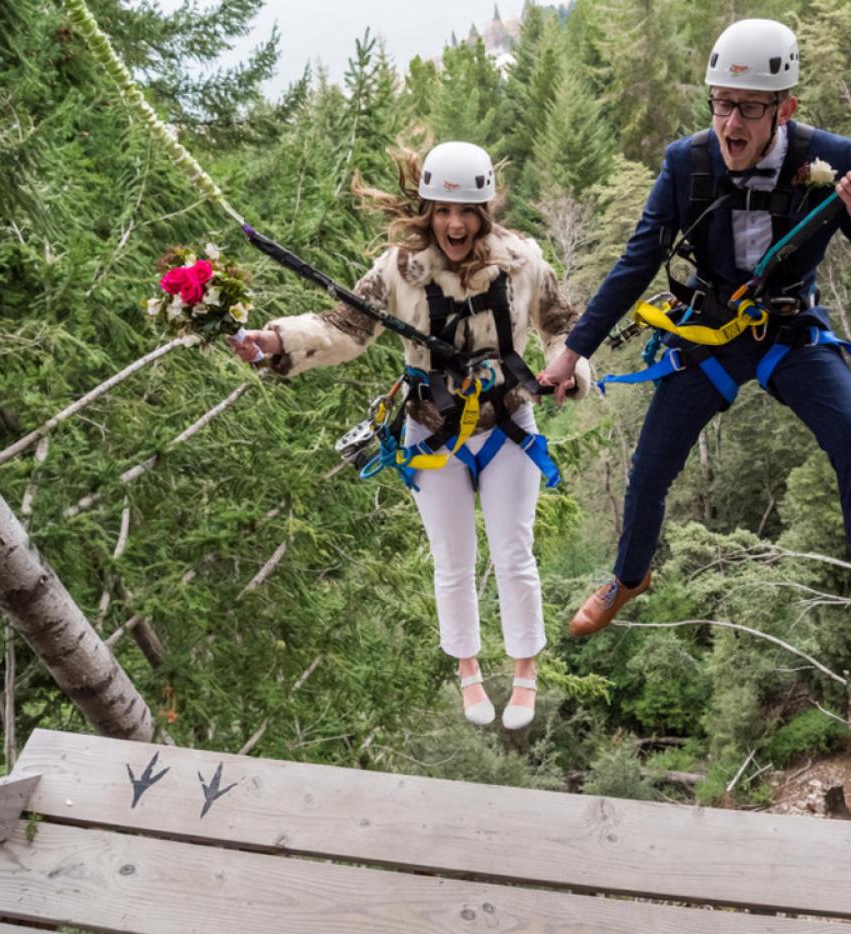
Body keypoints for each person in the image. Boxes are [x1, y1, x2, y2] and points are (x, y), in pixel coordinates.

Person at [538, 19, 851, 669]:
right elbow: (637, 262)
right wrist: (571, 353)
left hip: (787, 333)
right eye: (722, 103)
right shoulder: (686, 163)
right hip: (712, 335)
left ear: (785, 110)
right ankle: (629, 577)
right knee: (650, 466)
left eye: (750, 108)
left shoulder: (830, 157)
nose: (731, 125)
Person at [233, 141, 591, 727]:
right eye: (443, 211)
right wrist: (275, 341)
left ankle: (525, 670)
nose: (455, 224)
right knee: (452, 559)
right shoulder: (399, 269)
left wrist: (568, 369)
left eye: (467, 211)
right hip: (431, 428)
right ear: (427, 210)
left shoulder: (524, 261)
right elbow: (344, 325)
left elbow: (564, 328)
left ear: (485, 211)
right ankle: (468, 669)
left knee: (513, 550)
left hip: (507, 421)